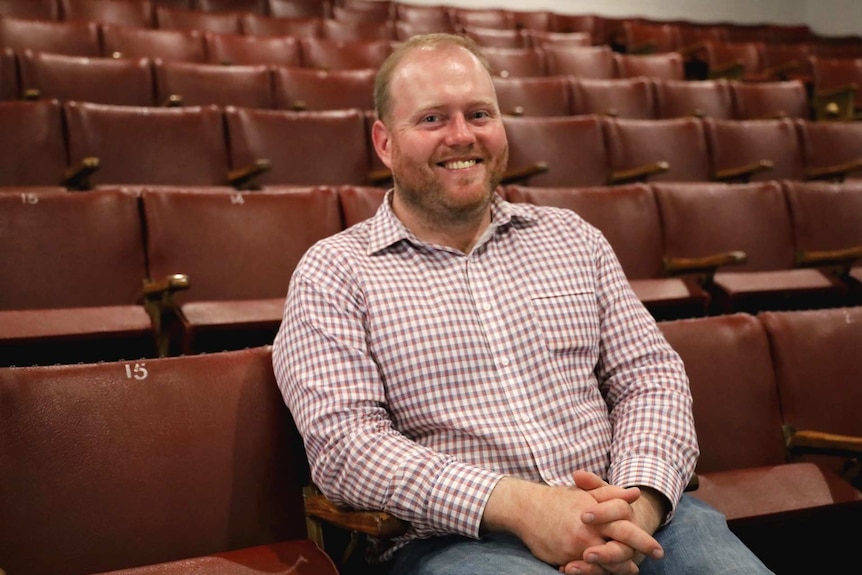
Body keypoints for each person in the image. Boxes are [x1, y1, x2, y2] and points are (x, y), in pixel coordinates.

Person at [273, 33, 774, 575]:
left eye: (479, 114)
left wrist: (639, 500)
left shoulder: (573, 239)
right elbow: (345, 447)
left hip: (634, 519)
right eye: (432, 119)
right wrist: (521, 506)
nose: (462, 136)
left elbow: (649, 377)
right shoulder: (334, 272)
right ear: (385, 142)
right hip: (461, 544)